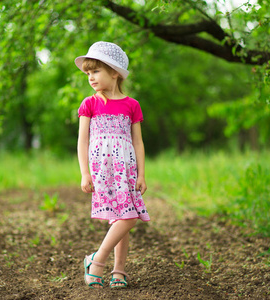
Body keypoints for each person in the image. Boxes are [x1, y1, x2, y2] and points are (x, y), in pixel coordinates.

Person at [76, 41, 150, 289]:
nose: (91, 77)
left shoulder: (132, 105)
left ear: (115, 72)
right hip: (102, 171)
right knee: (124, 218)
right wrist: (85, 172)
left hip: (125, 169)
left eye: (96, 71)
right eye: (88, 73)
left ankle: (107, 265)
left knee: (126, 216)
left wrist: (141, 174)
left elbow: (137, 142)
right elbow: (82, 140)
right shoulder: (90, 104)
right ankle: (103, 264)